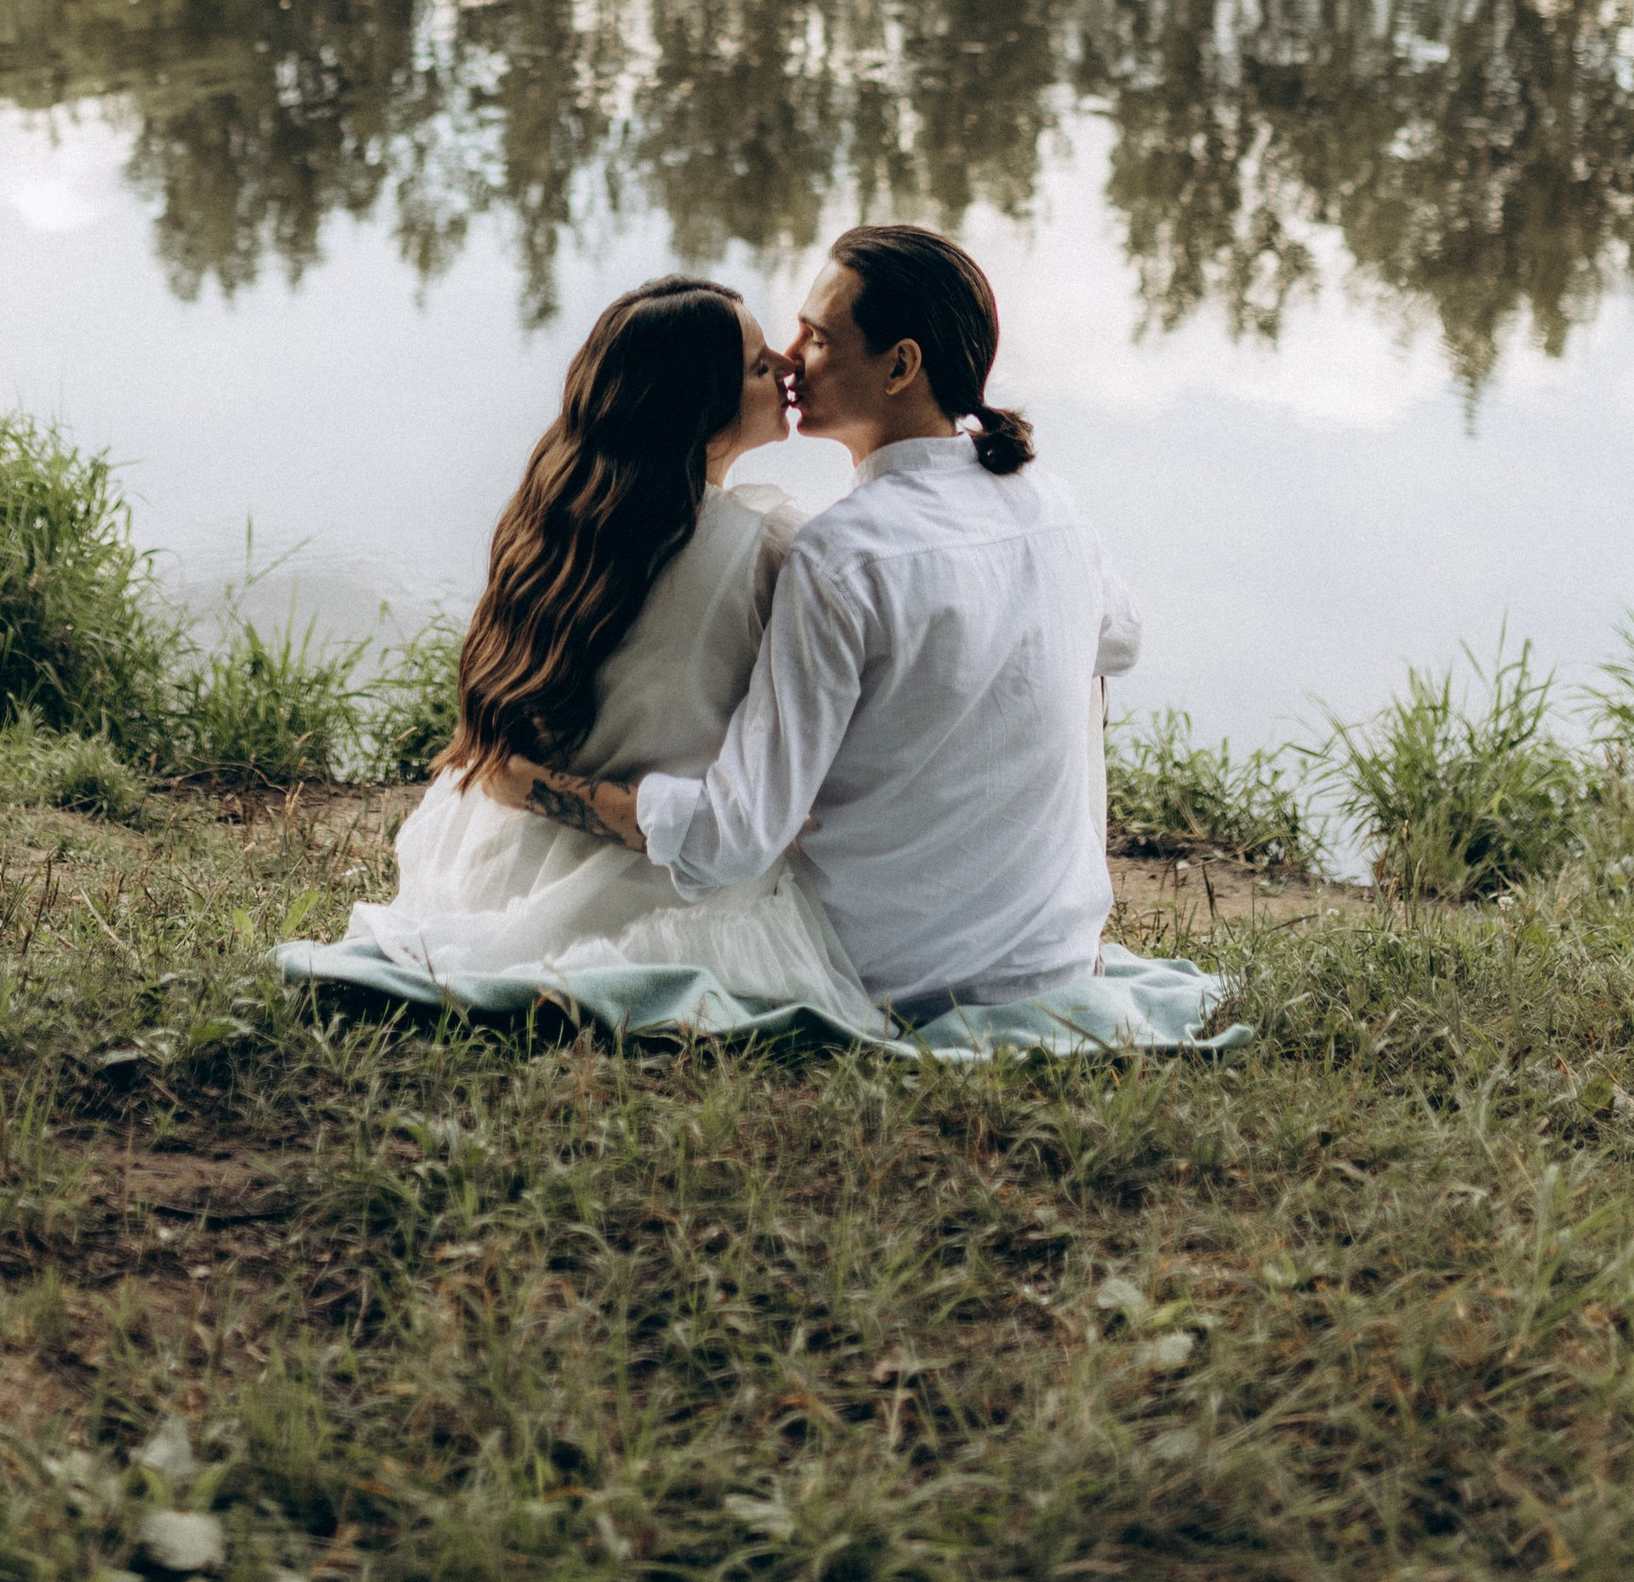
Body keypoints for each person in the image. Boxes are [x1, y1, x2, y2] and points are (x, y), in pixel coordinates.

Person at [481, 223, 1142, 1018]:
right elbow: (1119, 642)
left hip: (891, 969)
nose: (790, 357)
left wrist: (537, 785)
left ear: (900, 365)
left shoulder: (840, 555)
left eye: (818, 337)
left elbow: (731, 840)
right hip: (1057, 958)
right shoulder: (1053, 505)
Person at [333, 271, 879, 1027]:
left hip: (510, 856)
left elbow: (501, 758)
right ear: (702, 407)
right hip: (665, 877)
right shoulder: (770, 551)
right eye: (760, 367)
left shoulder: (560, 524)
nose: (789, 367)